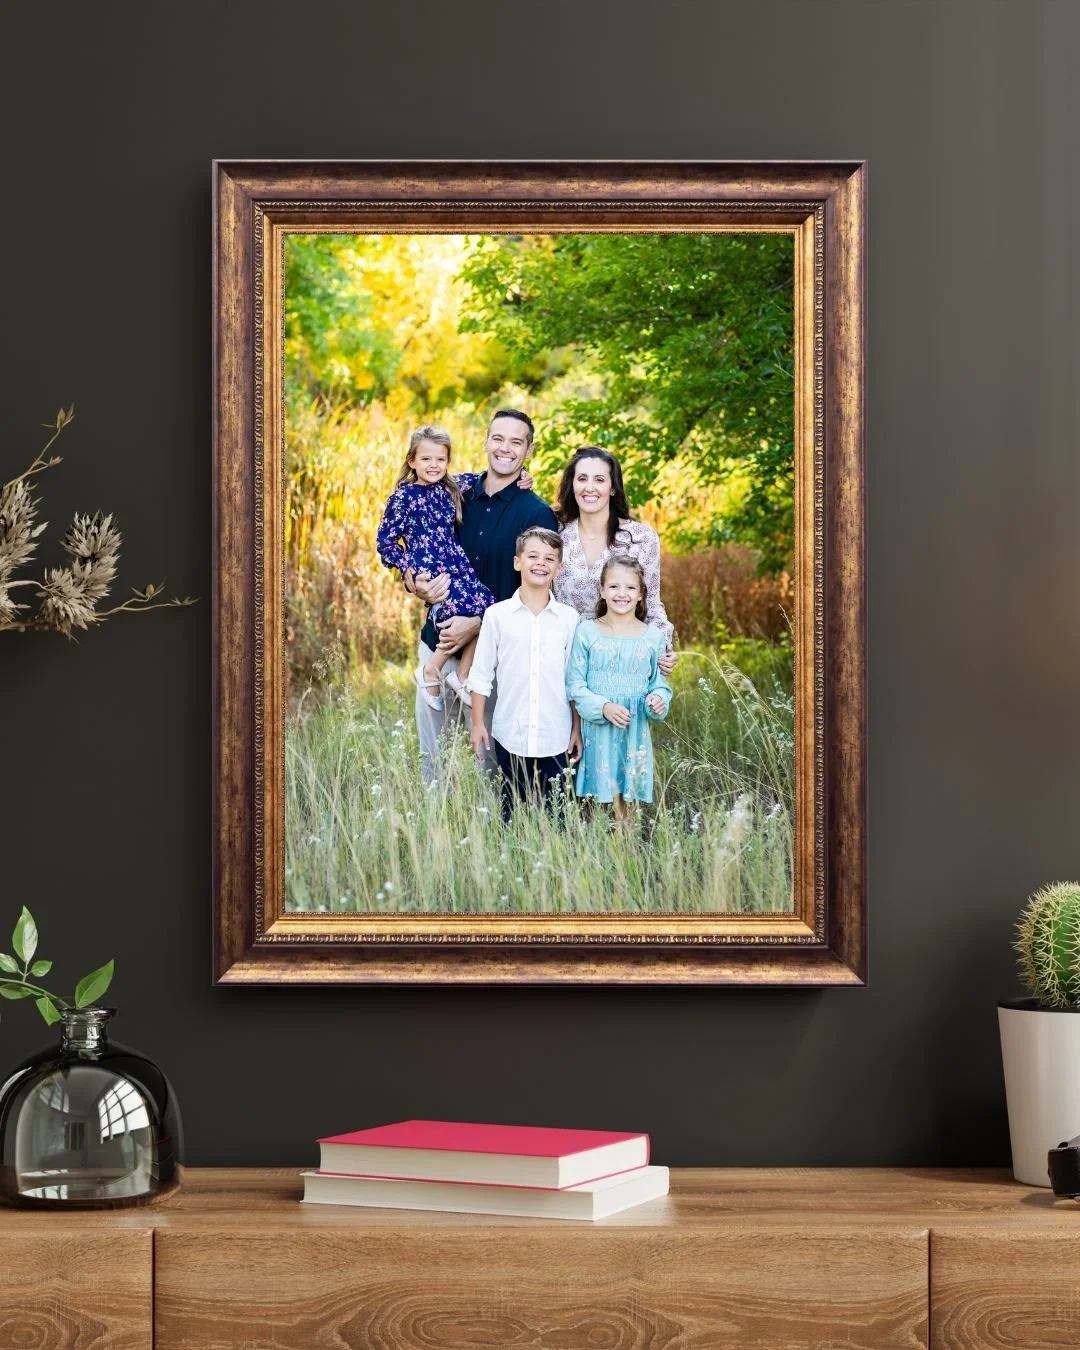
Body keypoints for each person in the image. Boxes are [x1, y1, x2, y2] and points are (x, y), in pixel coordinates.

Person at [406, 410, 558, 777]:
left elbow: (534, 590)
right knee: (434, 758)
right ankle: (436, 829)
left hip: (496, 655)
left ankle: (487, 831)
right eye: (498, 438)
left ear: (529, 450)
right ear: (486, 441)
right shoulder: (450, 493)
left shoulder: (535, 512)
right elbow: (417, 542)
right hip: (439, 640)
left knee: (487, 760)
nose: (505, 448)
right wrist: (413, 579)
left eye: (516, 441)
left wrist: (476, 624)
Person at [376, 425, 494, 711]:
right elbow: (386, 541)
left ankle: (462, 675)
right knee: (456, 610)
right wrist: (407, 569)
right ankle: (432, 669)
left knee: (489, 609)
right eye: (426, 459)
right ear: (412, 461)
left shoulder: (451, 488)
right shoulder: (403, 498)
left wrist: (523, 478)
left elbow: (485, 479)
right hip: (430, 567)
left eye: (440, 459)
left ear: (448, 462)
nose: (433, 465)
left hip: (456, 564)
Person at [468, 527, 582, 819]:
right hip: (510, 734)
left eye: (549, 558)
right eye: (533, 556)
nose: (540, 563)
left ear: (559, 567)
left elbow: (574, 681)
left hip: (554, 735)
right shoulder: (497, 615)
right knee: (511, 814)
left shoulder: (569, 620)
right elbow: (481, 675)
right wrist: (478, 723)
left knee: (556, 816)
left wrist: (576, 729)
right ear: (517, 562)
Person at [553, 446, 678, 676]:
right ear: (572, 485)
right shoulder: (556, 534)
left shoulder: (640, 538)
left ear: (612, 488)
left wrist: (664, 648)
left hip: (621, 659)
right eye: (582, 478)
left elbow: (651, 603)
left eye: (599, 480)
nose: (589, 488)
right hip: (563, 657)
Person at [566, 555, 672, 817]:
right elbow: (575, 684)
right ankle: (592, 852)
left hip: (633, 731)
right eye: (613, 586)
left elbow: (659, 685)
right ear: (602, 591)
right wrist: (603, 707)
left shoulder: (653, 637)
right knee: (592, 803)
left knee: (626, 804)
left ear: (640, 595)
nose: (621, 594)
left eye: (630, 588)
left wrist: (657, 700)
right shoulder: (586, 632)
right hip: (597, 730)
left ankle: (624, 853)